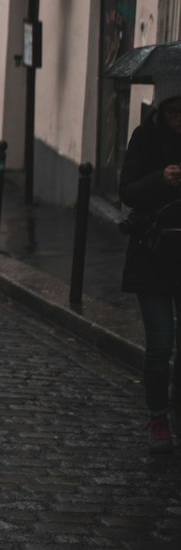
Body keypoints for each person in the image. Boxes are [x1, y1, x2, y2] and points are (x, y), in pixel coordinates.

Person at [118, 85, 181, 450]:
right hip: (153, 255)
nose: (179, 121)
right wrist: (162, 179)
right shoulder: (144, 137)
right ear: (162, 110)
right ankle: (157, 418)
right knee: (160, 344)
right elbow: (128, 191)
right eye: (173, 112)